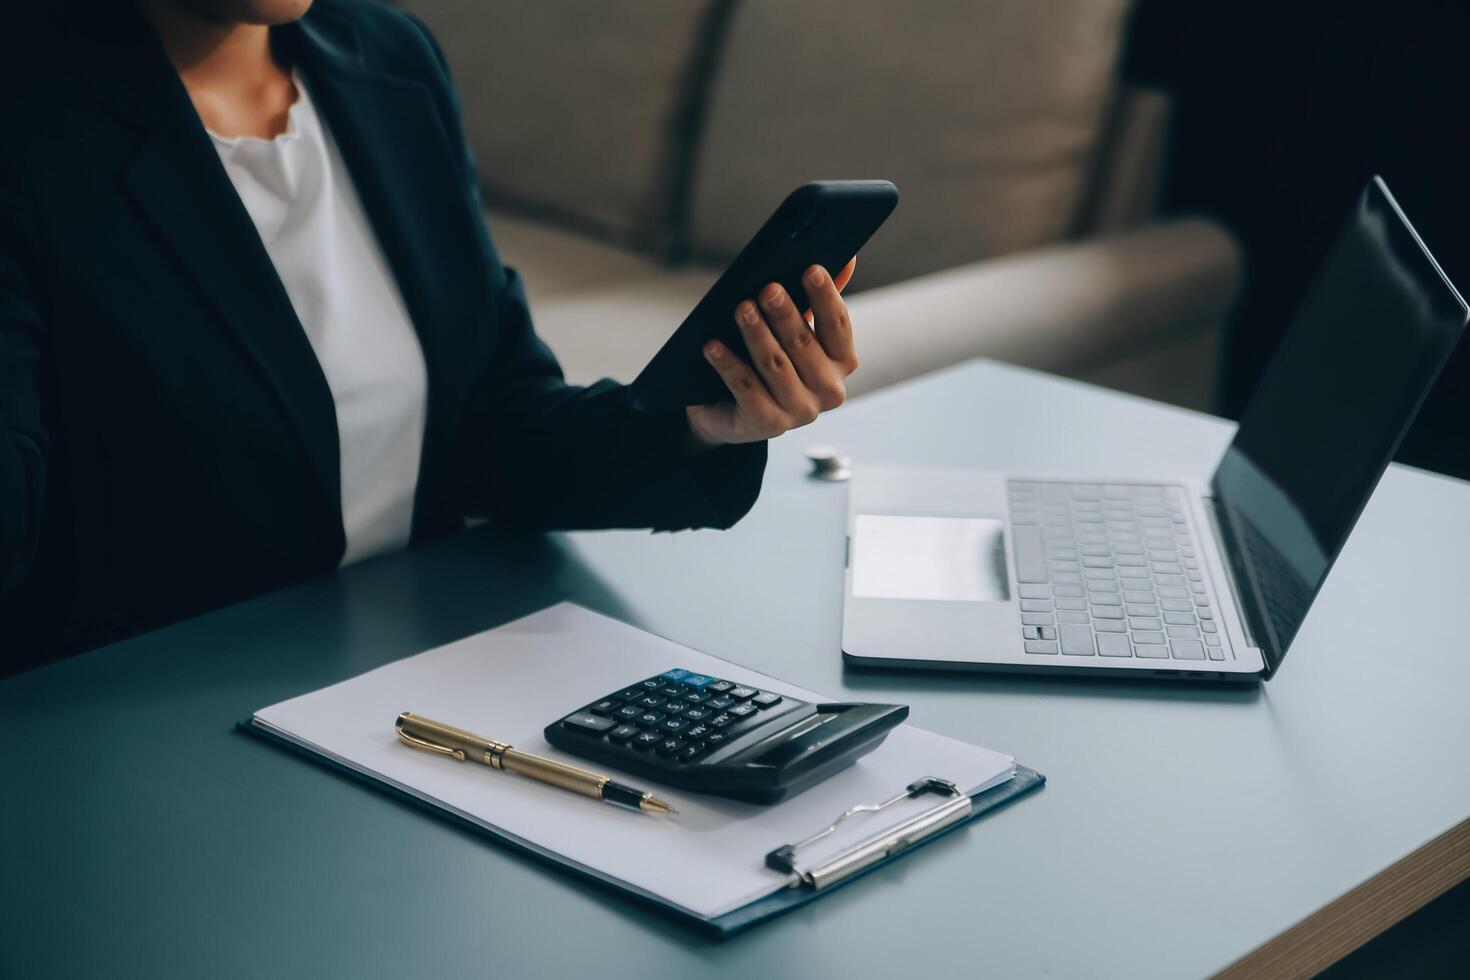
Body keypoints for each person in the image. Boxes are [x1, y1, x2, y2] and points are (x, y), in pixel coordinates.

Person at [0, 0, 862, 671]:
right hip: (152, 725)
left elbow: (494, 423)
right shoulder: (33, 122)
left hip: (425, 675)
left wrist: (701, 422)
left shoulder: (389, 64)